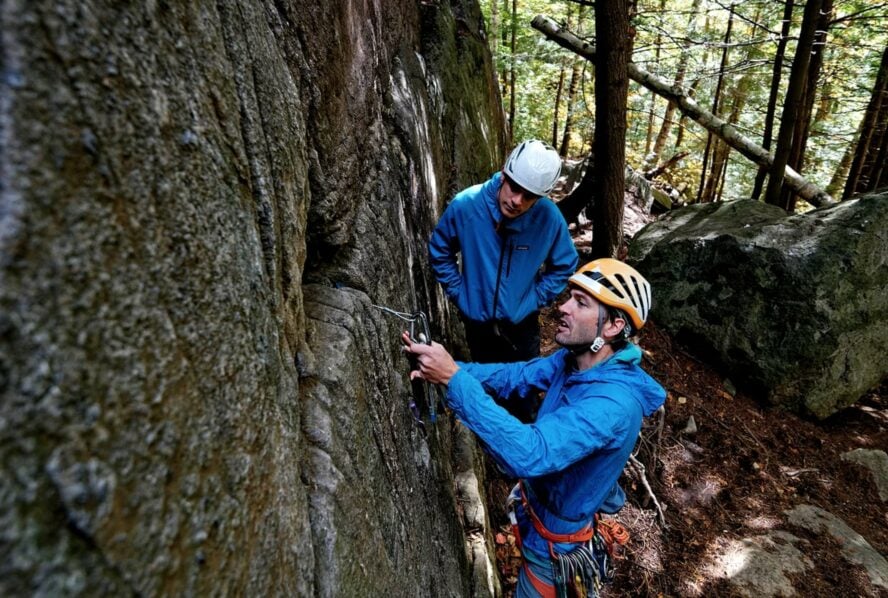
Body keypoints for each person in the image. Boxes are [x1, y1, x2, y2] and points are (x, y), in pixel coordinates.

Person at [403, 259, 666, 597]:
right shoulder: (572, 360)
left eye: (580, 303)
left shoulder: (611, 406)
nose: (563, 307)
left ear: (613, 327)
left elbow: (530, 453)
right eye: (569, 296)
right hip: (538, 518)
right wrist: (450, 369)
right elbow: (515, 376)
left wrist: (453, 380)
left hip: (554, 551)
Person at [428, 140, 578, 365]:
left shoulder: (548, 219)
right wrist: (460, 292)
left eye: (529, 196)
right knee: (484, 389)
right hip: (477, 324)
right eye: (514, 188)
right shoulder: (467, 205)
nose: (517, 201)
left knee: (525, 391)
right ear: (503, 175)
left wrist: (535, 298)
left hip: (522, 325)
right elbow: (440, 250)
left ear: (540, 198)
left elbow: (565, 264)